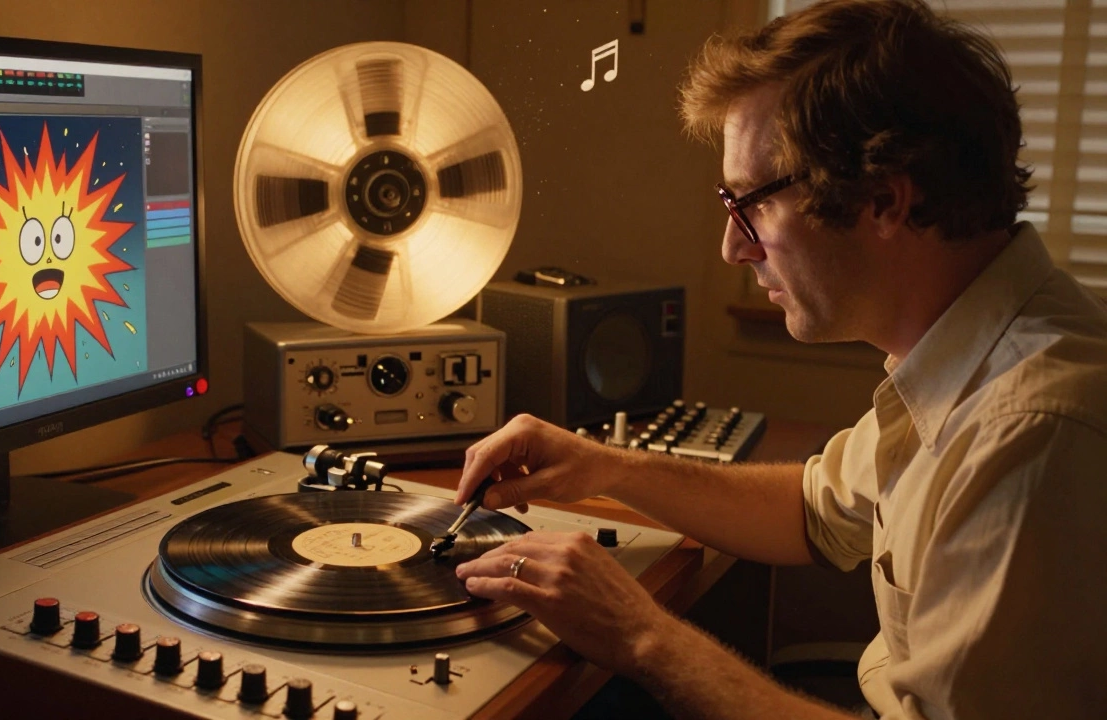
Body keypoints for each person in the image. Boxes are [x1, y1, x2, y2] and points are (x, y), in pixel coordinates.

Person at [453, 0, 1107, 717]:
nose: (733, 248)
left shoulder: (1031, 431)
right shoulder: (965, 355)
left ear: (884, 199)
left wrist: (638, 633)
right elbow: (812, 511)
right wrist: (600, 465)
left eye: (752, 205)